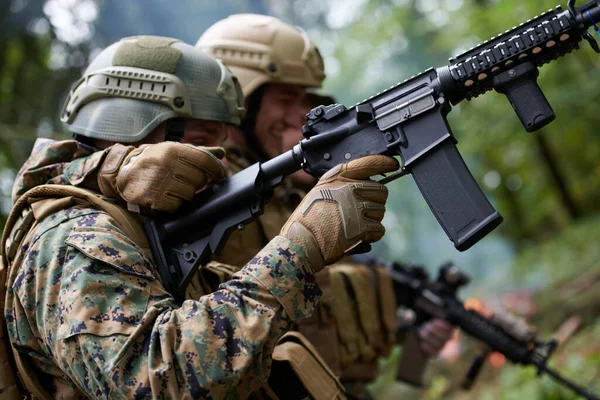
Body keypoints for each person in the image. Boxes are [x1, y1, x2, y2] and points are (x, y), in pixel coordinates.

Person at [0, 35, 397, 399]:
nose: (220, 163)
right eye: (204, 141)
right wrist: (298, 250)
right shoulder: (75, 237)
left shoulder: (143, 230)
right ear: (133, 125)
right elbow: (157, 380)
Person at [197, 14, 454, 399]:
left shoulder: (297, 196)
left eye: (307, 99)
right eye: (286, 98)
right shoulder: (202, 193)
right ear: (238, 104)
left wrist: (411, 335)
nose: (300, 114)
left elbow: (325, 317)